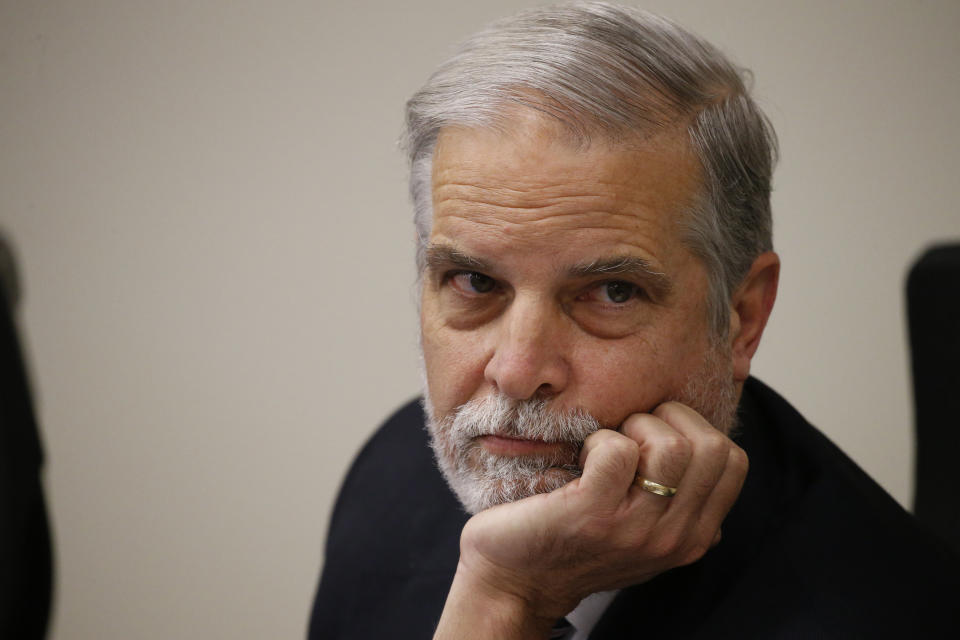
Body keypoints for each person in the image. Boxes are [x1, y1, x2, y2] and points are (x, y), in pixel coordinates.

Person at [309, 3, 960, 638]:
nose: (516, 372)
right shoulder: (393, 474)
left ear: (741, 316)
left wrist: (512, 598)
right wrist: (501, 599)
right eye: (476, 282)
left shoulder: (885, 615)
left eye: (611, 292)